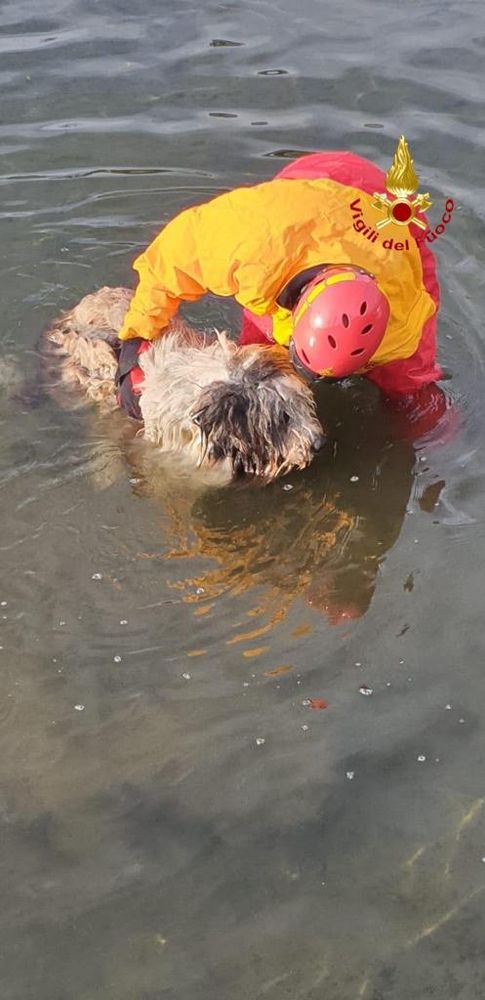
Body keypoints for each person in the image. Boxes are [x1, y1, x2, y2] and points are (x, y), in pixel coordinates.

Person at [116, 149, 447, 433]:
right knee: (257, 356)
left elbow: (413, 356)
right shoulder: (252, 248)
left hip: (391, 214)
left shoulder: (403, 313)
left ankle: (435, 430)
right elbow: (166, 263)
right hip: (305, 191)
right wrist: (135, 340)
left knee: (410, 386)